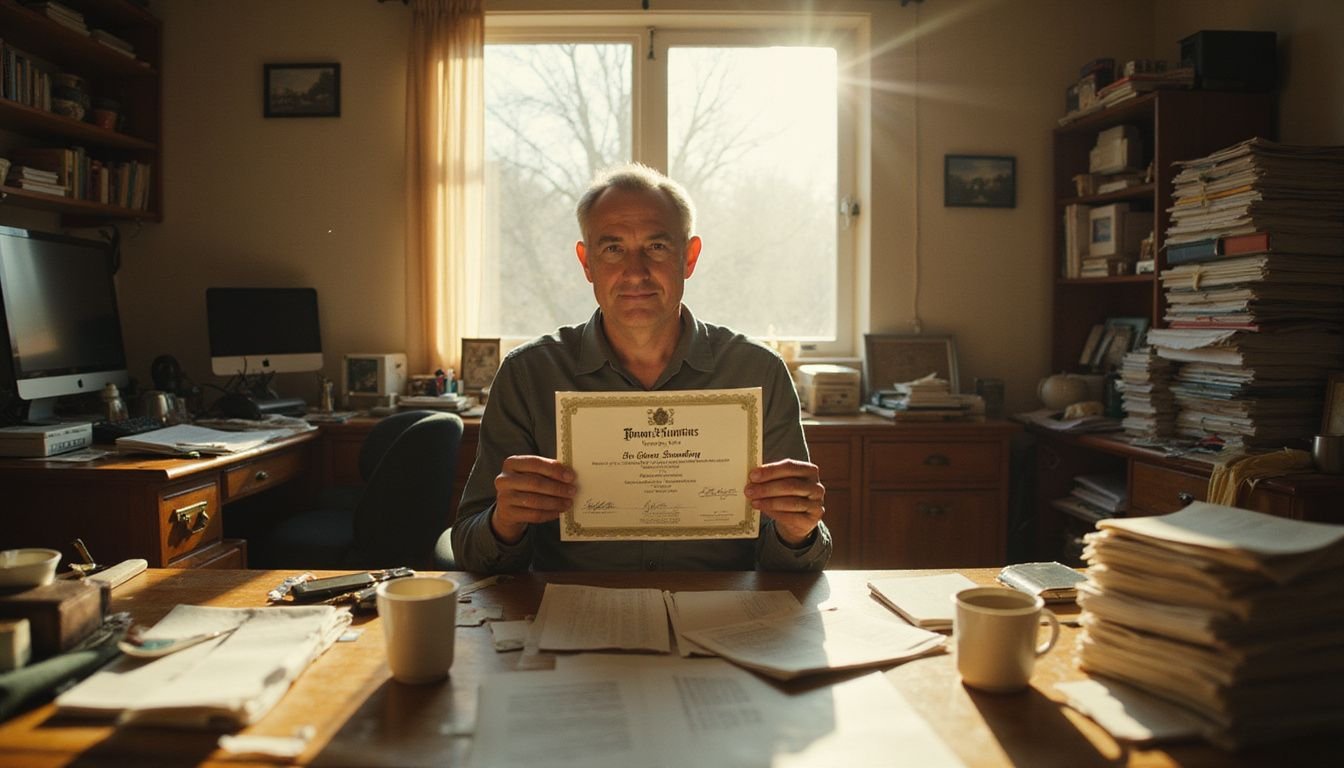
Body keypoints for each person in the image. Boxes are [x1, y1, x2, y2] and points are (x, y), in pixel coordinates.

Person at [451, 163, 831, 572]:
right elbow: (470, 550)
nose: (635, 272)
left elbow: (795, 566)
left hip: (722, 618)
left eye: (657, 247)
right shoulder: (528, 375)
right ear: (586, 262)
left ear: (689, 257)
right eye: (613, 248)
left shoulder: (759, 373)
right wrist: (505, 521)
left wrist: (798, 532)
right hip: (572, 618)